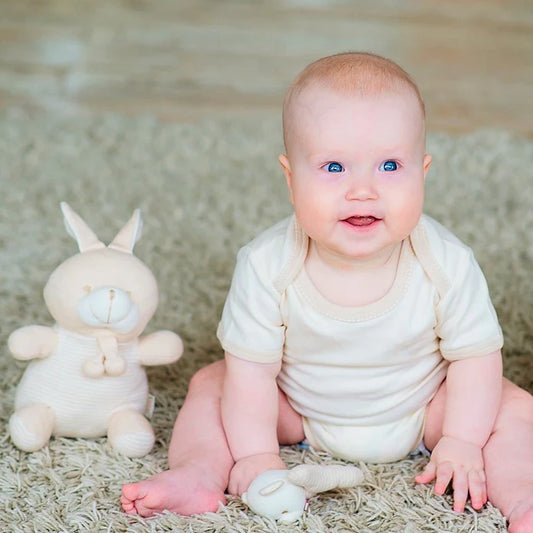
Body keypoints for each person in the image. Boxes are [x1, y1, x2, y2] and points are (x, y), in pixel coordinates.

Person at [121, 52, 533, 532]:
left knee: (514, 408)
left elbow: (475, 358)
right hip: (300, 411)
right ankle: (198, 473)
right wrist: (255, 455)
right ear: (290, 178)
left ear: (423, 172)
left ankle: (523, 494)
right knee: (212, 385)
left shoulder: (447, 262)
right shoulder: (266, 264)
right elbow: (252, 374)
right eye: (334, 167)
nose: (363, 190)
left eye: (390, 165)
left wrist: (462, 440)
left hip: (425, 408)